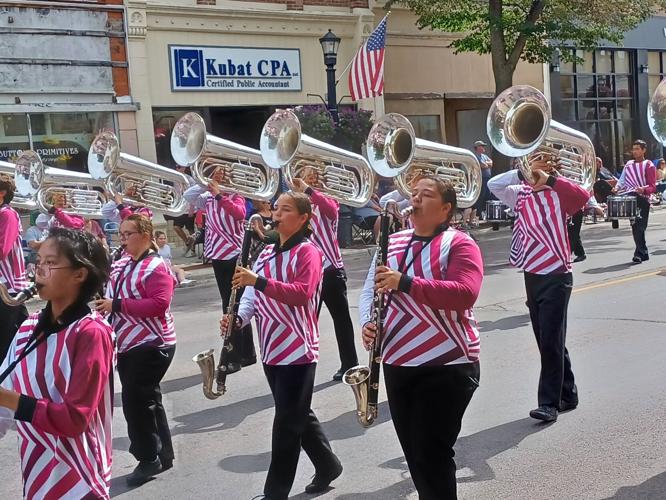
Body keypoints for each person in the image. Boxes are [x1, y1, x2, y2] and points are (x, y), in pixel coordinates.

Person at [359, 175, 483, 500]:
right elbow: (370, 290)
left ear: (445, 209)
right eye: (413, 193)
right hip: (399, 362)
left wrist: (406, 283)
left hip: (448, 363)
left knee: (431, 452)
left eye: (425, 195)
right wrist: (367, 323)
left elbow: (465, 293)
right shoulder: (393, 241)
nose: (415, 199)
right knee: (415, 454)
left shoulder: (459, 243)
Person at [222, 191, 342, 500]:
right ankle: (328, 465)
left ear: (303, 219)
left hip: (298, 349)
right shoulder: (265, 253)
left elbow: (302, 294)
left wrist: (257, 281)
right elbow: (250, 299)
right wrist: (237, 320)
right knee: (297, 413)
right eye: (276, 208)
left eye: (286, 209)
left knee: (286, 423)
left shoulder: (309, 252)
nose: (276, 214)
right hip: (271, 348)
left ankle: (275, 493)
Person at [0, 228, 114, 498]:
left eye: (50, 263)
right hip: (38, 474)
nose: (39, 271)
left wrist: (9, 399)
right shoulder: (28, 328)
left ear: (79, 274)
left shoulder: (92, 333)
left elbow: (75, 419)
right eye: (38, 262)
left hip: (81, 479)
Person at [489, 157, 589, 423]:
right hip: (532, 275)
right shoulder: (520, 196)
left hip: (557, 274)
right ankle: (568, 393)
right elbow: (493, 184)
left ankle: (548, 404)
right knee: (548, 339)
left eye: (543, 170)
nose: (537, 174)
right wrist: (522, 171)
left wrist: (551, 179)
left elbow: (582, 196)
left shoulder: (560, 196)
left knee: (550, 340)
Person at [94, 214, 177, 486]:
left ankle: (147, 458)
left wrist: (117, 305)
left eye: (128, 233)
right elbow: (105, 290)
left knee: (135, 402)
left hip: (152, 343)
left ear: (145, 234)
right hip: (128, 344)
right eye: (121, 233)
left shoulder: (156, 267)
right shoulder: (121, 264)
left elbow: (159, 305)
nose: (123, 238)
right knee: (148, 398)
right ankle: (163, 453)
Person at [183, 169, 256, 368]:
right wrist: (205, 182)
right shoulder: (207, 198)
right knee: (230, 304)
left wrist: (218, 194)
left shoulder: (235, 196)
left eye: (221, 174)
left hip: (234, 256)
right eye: (216, 174)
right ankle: (244, 354)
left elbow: (239, 213)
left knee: (235, 305)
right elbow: (187, 196)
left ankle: (236, 356)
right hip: (217, 256)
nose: (218, 177)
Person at [292, 168, 359, 381]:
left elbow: (331, 210)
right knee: (304, 321)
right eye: (307, 176)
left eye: (314, 176)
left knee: (342, 320)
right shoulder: (296, 207)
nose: (311, 179)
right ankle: (300, 366)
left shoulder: (327, 200)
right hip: (307, 272)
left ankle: (350, 364)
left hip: (330, 269)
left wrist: (308, 190)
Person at [0, 174, 30, 363]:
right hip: (6, 289)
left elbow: (2, 249)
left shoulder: (6, 214)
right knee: (17, 337)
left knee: (6, 342)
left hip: (7, 287)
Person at [615, 140, 656, 264]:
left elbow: (653, 186)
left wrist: (643, 189)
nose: (635, 151)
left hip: (643, 199)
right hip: (630, 198)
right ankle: (642, 252)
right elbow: (622, 180)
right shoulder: (628, 164)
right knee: (634, 226)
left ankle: (639, 253)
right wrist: (616, 187)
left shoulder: (648, 165)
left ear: (644, 150)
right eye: (634, 149)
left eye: (638, 149)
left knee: (640, 226)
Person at [463, 140, 493, 226]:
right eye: (482, 146)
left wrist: (486, 164)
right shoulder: (474, 156)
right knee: (476, 200)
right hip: (479, 180)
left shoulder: (484, 156)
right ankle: (467, 222)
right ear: (478, 148)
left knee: (482, 200)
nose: (484, 148)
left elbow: (491, 163)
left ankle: (473, 220)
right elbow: (483, 165)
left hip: (486, 180)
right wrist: (485, 164)